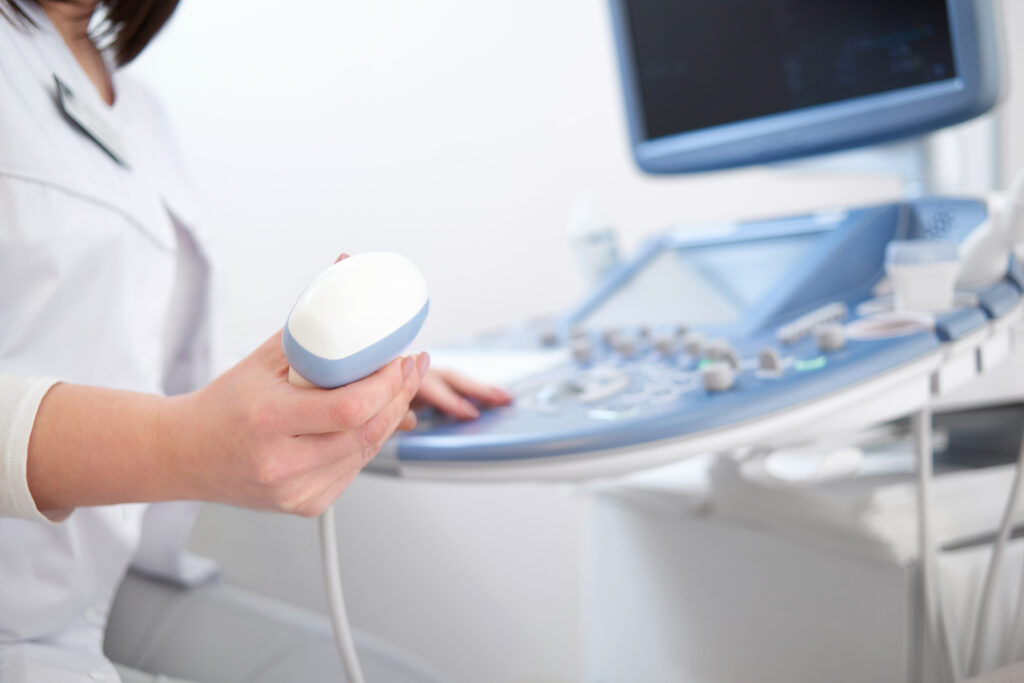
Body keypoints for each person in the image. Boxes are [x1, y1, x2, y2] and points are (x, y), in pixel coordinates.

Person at [0, 1, 512, 680]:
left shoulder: (138, 108)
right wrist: (176, 443)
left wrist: (320, 392)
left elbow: (121, 333)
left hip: (91, 586)